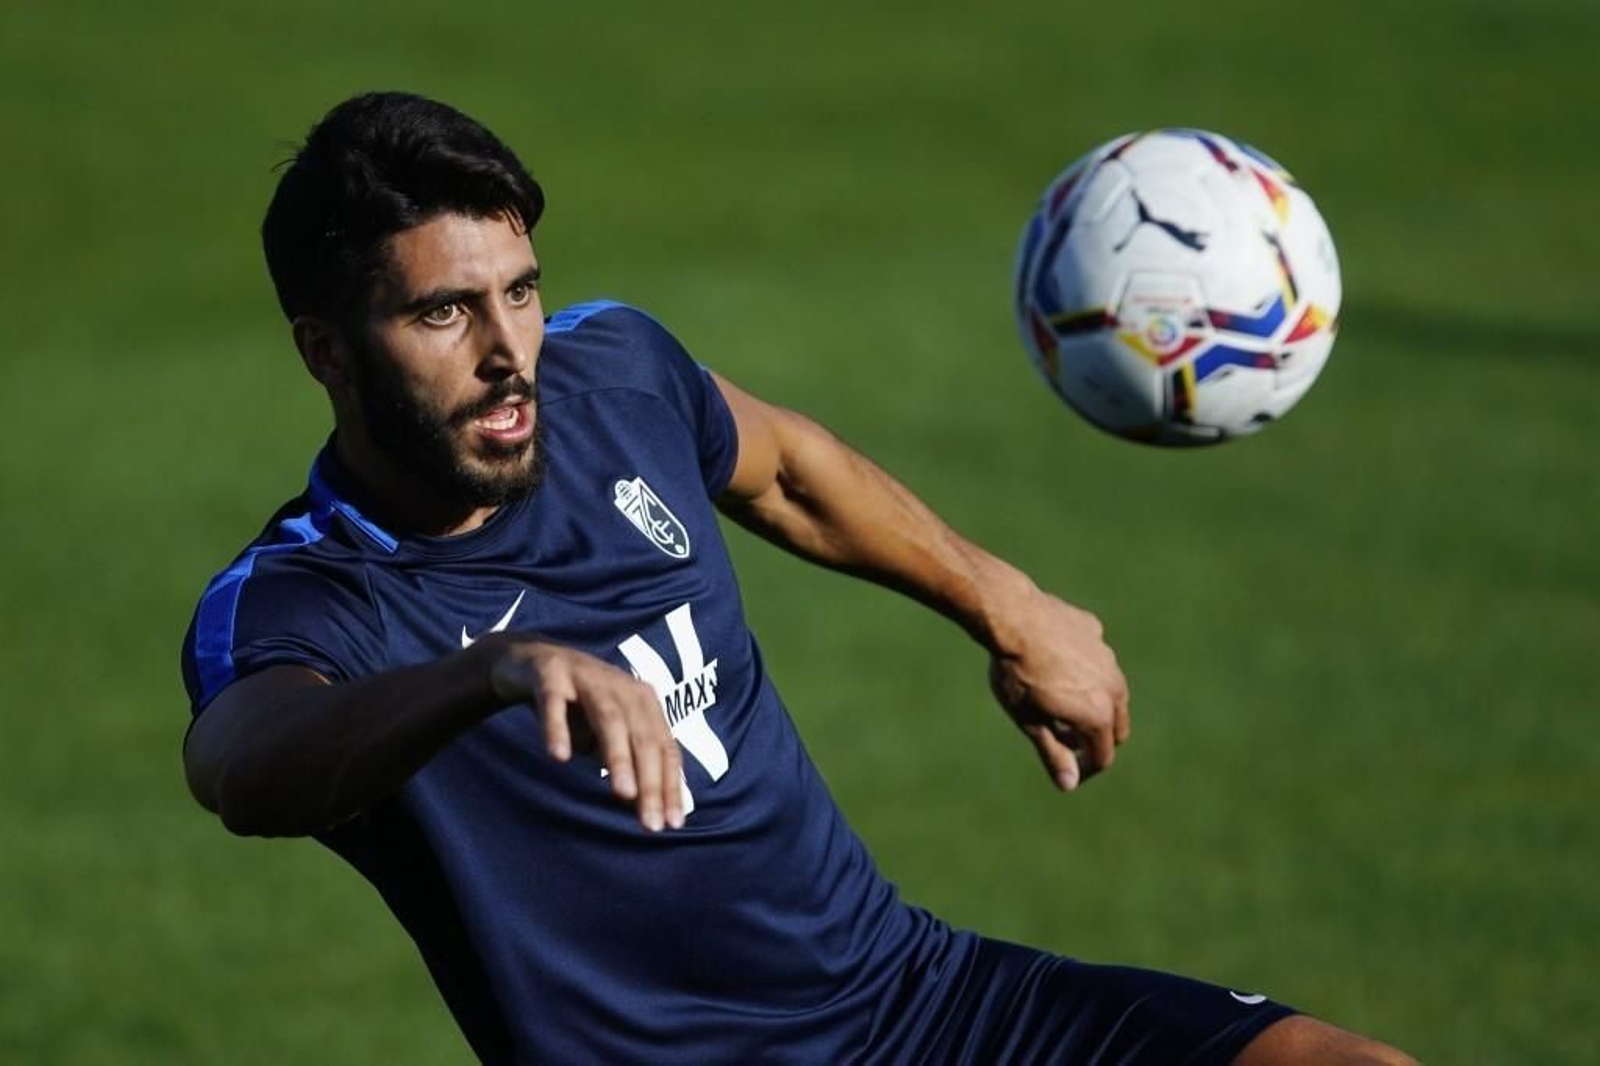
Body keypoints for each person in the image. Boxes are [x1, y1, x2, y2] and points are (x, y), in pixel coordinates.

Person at [181, 92, 1411, 1064]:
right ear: (326, 351)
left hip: (915, 1003)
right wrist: (490, 672)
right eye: (446, 315)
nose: (512, 354)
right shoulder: (306, 596)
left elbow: (785, 472)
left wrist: (1005, 602)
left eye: (521, 291)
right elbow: (247, 763)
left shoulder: (613, 378)